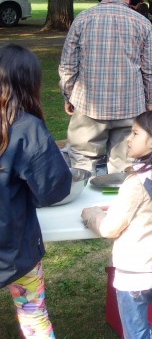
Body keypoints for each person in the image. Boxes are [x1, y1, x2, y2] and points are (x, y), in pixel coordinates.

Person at [81, 111, 152, 339]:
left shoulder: (137, 182)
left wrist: (90, 213)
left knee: (136, 332)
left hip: (133, 272)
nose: (128, 139)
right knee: (140, 322)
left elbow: (110, 228)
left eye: (134, 133)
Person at [0, 44, 72, 338]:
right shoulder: (26, 128)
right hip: (14, 248)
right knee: (33, 318)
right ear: (29, 83)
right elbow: (54, 188)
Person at [59, 0, 152, 174]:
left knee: (82, 166)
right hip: (130, 106)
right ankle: (120, 204)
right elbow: (150, 69)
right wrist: (149, 100)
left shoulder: (82, 19)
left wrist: (68, 94)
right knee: (125, 169)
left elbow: (68, 65)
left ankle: (84, 203)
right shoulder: (142, 23)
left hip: (89, 106)